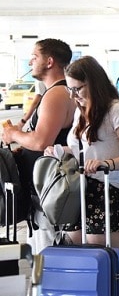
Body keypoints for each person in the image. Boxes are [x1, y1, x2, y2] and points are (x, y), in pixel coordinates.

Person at [53, 56, 119, 255]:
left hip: (111, 190)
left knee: (108, 257)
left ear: (93, 84)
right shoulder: (82, 111)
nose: (73, 95)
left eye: (77, 89)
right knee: (75, 249)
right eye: (69, 89)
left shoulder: (118, 111)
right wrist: (60, 150)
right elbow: (88, 149)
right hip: (82, 190)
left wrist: (106, 164)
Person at [0, 39, 76, 253]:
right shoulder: (60, 91)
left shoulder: (56, 94)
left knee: (47, 257)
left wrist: (14, 133)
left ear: (49, 61)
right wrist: (23, 149)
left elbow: (42, 141)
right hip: (50, 189)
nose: (30, 63)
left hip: (49, 190)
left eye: (34, 57)